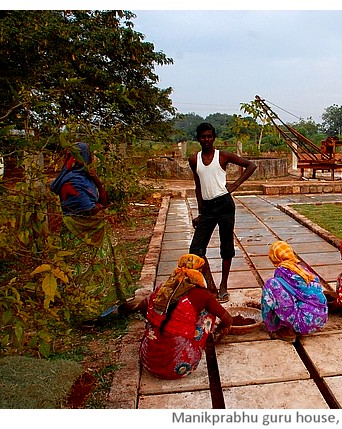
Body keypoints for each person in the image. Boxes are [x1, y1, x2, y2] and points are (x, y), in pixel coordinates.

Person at [50, 142, 134, 322]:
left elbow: (103, 202)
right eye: (90, 156)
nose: (93, 159)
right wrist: (98, 207)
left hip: (96, 230)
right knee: (83, 273)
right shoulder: (71, 181)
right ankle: (84, 315)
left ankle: (116, 304)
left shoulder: (86, 178)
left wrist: (97, 181)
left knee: (107, 267)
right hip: (79, 233)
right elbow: (90, 209)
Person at [189, 122, 257, 303]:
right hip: (208, 208)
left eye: (209, 136)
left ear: (214, 137)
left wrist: (236, 184)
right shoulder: (194, 159)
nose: (206, 139)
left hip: (225, 205)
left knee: (226, 247)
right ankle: (210, 286)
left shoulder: (223, 156)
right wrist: (201, 212)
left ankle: (223, 286)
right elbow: (198, 186)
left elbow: (250, 165)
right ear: (198, 138)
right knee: (196, 250)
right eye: (203, 136)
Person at [139, 253, 233, 380]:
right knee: (208, 313)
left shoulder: (163, 289)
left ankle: (157, 337)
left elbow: (143, 307)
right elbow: (228, 319)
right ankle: (210, 338)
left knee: (166, 319)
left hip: (148, 362)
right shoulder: (201, 295)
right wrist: (222, 328)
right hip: (178, 368)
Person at [261, 241, 328, 342]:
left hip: (303, 322)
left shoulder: (282, 270)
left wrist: (269, 320)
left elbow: (281, 299)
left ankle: (284, 329)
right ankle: (295, 322)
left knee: (271, 285)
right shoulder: (302, 267)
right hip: (320, 319)